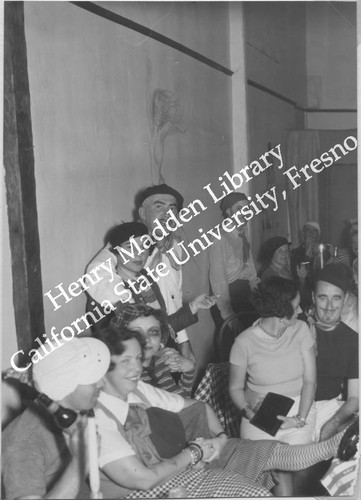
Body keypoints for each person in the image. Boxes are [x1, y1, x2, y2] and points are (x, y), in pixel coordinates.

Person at [94, 327, 355, 499]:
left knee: (269, 452)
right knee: (256, 495)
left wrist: (219, 438)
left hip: (183, 460)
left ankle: (334, 446)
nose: (135, 368)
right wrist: (195, 452)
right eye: (125, 361)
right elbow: (142, 480)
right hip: (148, 487)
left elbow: (196, 406)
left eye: (137, 358)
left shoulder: (138, 389)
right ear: (102, 364)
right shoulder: (97, 417)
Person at [229, 277, 316, 494]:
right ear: (281, 316)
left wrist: (299, 420)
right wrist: (250, 414)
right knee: (256, 466)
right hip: (259, 412)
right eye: (296, 308)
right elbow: (235, 388)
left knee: (285, 463)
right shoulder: (243, 342)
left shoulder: (301, 329)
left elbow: (310, 381)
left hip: (298, 406)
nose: (300, 311)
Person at [2, 337, 111, 499]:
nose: (103, 383)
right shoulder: (23, 442)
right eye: (92, 378)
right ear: (65, 383)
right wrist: (81, 460)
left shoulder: (76, 414)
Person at [85, 222, 212, 346]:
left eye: (144, 246)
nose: (139, 253)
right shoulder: (107, 292)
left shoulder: (146, 278)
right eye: (130, 247)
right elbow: (120, 347)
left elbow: (160, 326)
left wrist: (193, 307)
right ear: (115, 251)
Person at [137, 183, 196, 362]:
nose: (166, 214)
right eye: (158, 207)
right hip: (139, 339)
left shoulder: (176, 247)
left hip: (169, 333)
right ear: (142, 213)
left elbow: (174, 298)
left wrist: (184, 342)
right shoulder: (129, 248)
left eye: (172, 209)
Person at [107, 302, 213, 397]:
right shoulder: (127, 375)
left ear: (162, 337)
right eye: (137, 333)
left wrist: (189, 370)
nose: (147, 339)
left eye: (153, 332)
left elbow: (180, 399)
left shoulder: (158, 363)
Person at [306, 263, 359, 442]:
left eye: (336, 298)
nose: (329, 306)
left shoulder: (352, 339)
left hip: (329, 409)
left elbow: (354, 397)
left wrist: (334, 422)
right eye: (323, 298)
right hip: (296, 407)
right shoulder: (299, 327)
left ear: (345, 299)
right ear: (313, 297)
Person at [209, 192, 259, 334]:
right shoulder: (220, 238)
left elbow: (251, 271)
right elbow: (219, 282)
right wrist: (228, 315)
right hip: (227, 299)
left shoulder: (242, 233)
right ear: (228, 212)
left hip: (244, 295)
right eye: (239, 209)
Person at [291, 221, 321, 310]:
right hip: (303, 296)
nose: (311, 233)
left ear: (318, 234)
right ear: (303, 234)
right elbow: (295, 275)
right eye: (308, 230)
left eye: (314, 231)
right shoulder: (295, 253)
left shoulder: (325, 251)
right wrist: (306, 256)